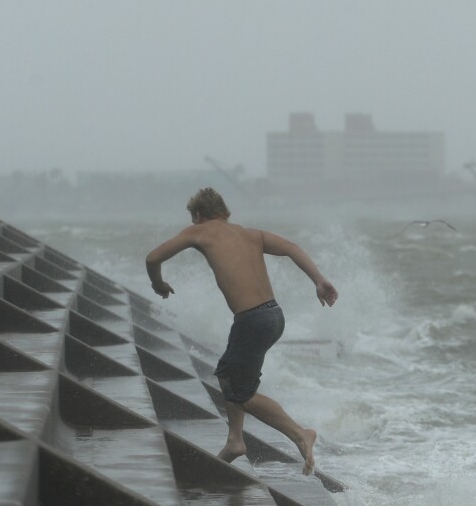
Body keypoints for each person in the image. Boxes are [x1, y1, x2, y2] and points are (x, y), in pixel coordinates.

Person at [145, 187, 338, 474]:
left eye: (194, 218)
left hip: (252, 321)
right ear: (225, 212)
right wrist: (319, 280)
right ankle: (235, 440)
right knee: (226, 374)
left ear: (198, 215)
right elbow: (292, 248)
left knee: (242, 394)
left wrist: (158, 284)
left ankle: (300, 433)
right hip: (272, 316)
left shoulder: (198, 231)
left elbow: (152, 258)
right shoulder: (251, 234)